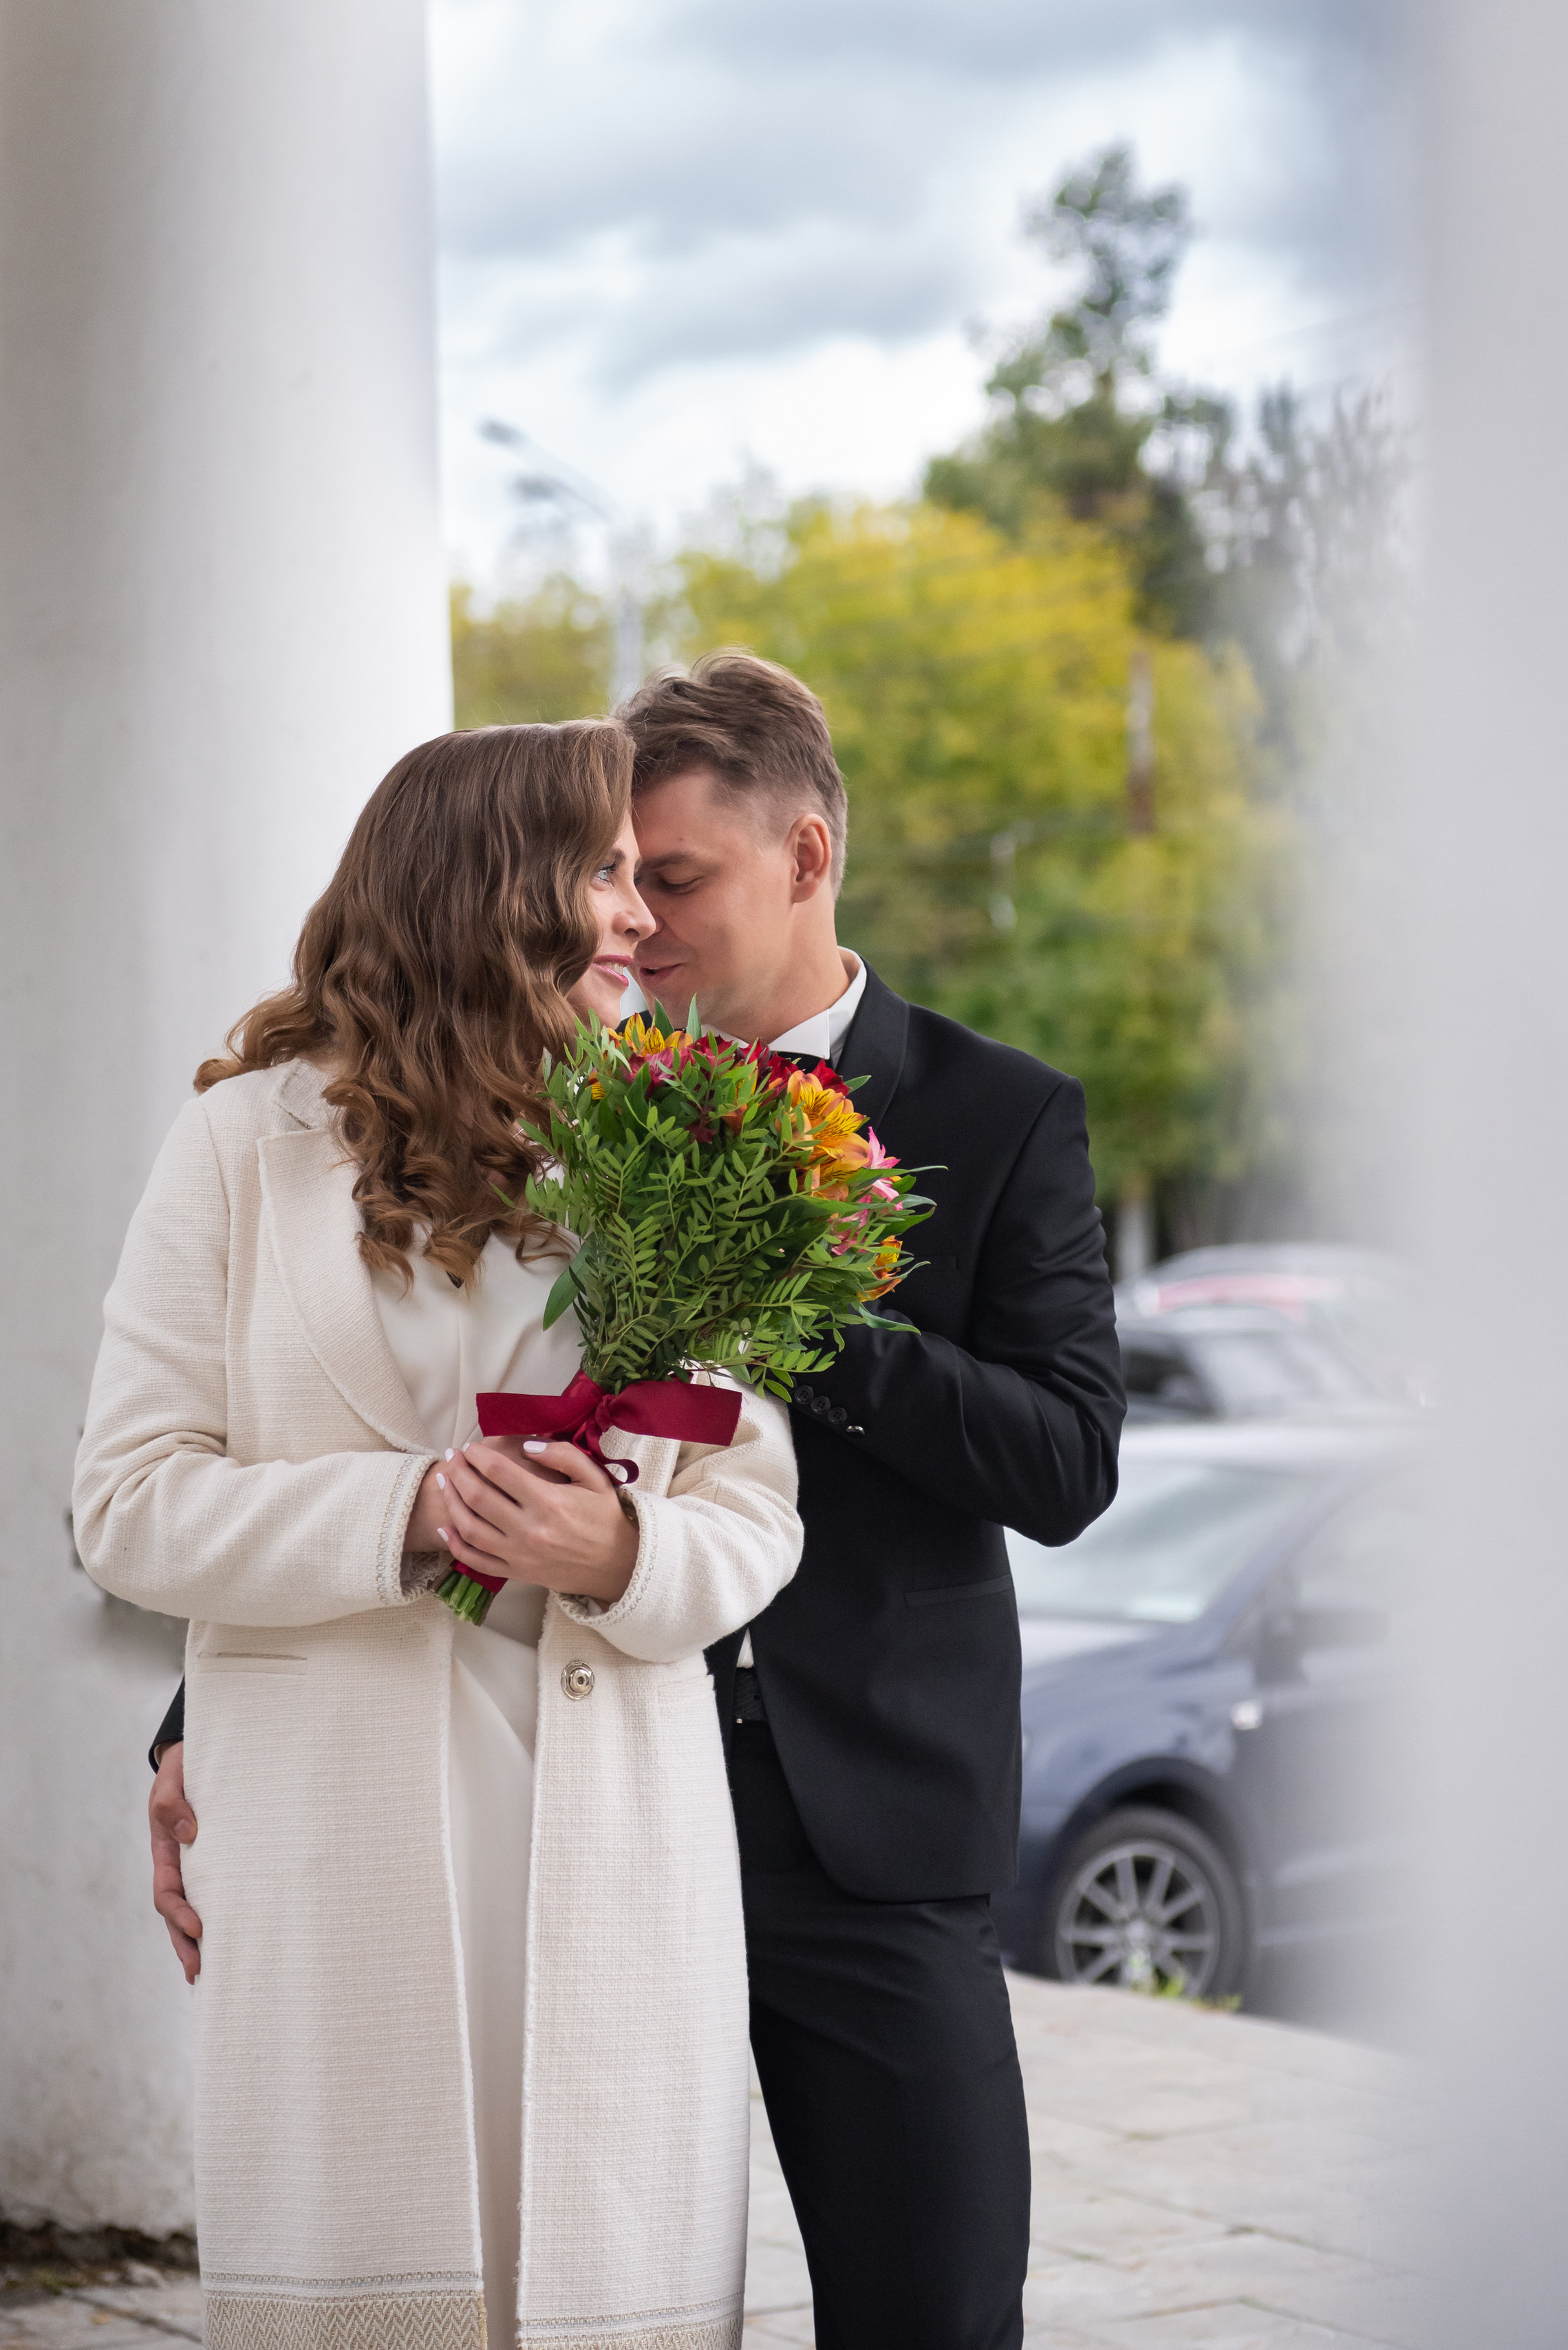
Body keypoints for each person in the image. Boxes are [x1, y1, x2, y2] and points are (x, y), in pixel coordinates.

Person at [147, 653, 1125, 2350]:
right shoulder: (535, 1109)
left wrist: (801, 1296)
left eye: (672, 879)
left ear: (804, 858)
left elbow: (1063, 1462)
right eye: (615, 880)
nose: (639, 926)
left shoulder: (1000, 1110)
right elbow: (364, 1413)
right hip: (570, 1800)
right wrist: (194, 1716)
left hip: (864, 1826)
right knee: (573, 2289)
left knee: (934, 2308)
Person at [76, 722, 801, 2350]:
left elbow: (755, 1507)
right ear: (495, 887)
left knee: (603, 2283)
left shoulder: (685, 1147)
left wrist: (625, 1561)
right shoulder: (238, 1147)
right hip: (345, 1822)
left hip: (607, 1810)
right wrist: (400, 1512)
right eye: (606, 873)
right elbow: (125, 1503)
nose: (640, 916)